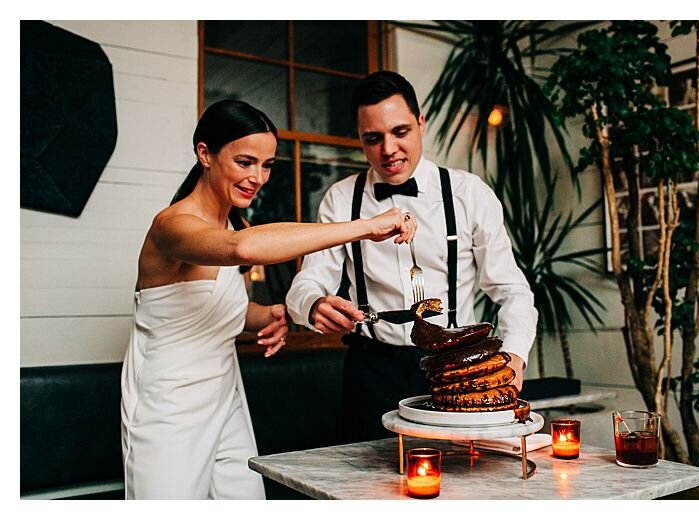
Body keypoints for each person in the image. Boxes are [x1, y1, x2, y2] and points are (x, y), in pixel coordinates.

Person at [123, 100, 416, 499]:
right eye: (245, 162)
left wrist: (269, 315)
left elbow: (214, 307)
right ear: (205, 154)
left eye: (266, 165)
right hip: (167, 400)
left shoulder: (231, 222)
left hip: (225, 392)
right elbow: (242, 249)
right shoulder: (172, 226)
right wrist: (365, 227)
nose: (257, 177)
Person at [286, 71, 538, 443]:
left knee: (457, 483)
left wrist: (514, 356)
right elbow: (307, 283)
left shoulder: (469, 194)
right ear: (359, 138)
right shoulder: (341, 199)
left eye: (400, 132)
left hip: (456, 369)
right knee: (369, 488)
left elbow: (512, 290)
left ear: (421, 123)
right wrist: (312, 304)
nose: (388, 150)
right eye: (373, 138)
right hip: (371, 369)